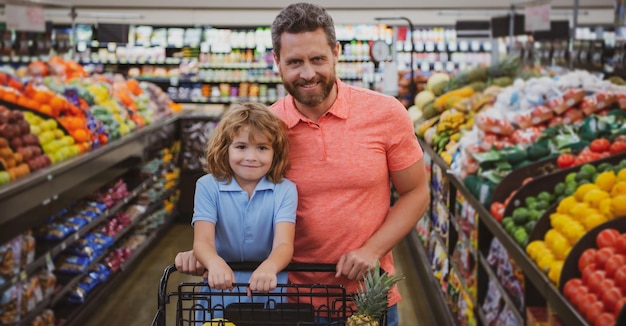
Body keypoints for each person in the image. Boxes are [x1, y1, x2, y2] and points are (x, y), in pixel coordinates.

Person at [176, 3, 429, 325]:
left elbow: (416, 192)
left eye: (318, 59)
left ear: (336, 53)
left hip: (365, 297)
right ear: (277, 61)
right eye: (294, 62)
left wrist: (372, 250)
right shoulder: (263, 132)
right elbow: (238, 208)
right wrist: (206, 255)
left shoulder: (386, 114)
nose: (307, 73)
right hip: (282, 298)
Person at [187, 102, 297, 322]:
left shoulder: (285, 190)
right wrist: (214, 263)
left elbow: (284, 244)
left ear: (275, 153)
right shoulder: (208, 186)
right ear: (225, 148)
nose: (251, 157)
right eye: (241, 147)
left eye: (262, 148)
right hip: (220, 284)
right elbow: (203, 241)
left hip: (269, 285)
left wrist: (270, 266)